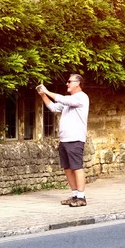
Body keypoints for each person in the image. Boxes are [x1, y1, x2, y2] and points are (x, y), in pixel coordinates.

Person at [37, 74, 89, 207]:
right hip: (65, 140)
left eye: (69, 81)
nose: (67, 84)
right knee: (67, 168)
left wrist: (48, 91)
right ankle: (75, 195)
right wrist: (43, 95)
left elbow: (64, 100)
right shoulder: (69, 100)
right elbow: (54, 108)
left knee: (77, 167)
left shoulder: (81, 97)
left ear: (77, 83)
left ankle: (82, 198)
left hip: (75, 139)